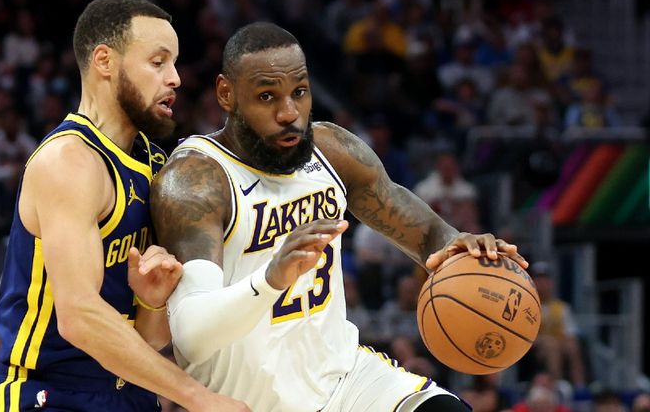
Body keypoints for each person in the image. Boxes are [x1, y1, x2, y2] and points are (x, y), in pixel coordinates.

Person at [151, 22, 528, 412]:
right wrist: (271, 279)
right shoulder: (197, 181)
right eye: (267, 96)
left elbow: (426, 232)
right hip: (246, 400)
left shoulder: (331, 151)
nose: (289, 113)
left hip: (346, 382)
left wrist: (457, 244)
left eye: (299, 92)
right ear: (226, 94)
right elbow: (191, 336)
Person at [0, 0, 248, 411]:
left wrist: (151, 301)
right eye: (158, 62)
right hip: (49, 392)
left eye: (175, 63)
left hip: (131, 392)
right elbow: (81, 318)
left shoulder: (159, 166)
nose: (175, 78)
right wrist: (197, 397)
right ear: (104, 61)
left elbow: (149, 338)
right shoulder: (70, 161)